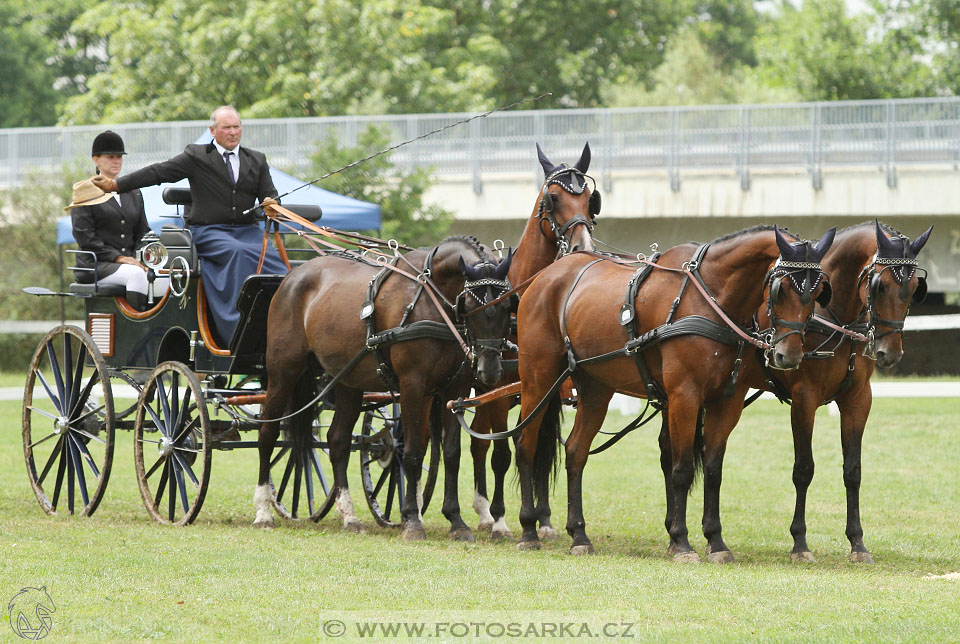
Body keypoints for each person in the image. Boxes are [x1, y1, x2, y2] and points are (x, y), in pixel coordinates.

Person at [92, 106, 287, 344]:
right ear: (213, 130)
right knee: (239, 253)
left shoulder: (256, 159)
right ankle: (238, 326)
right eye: (227, 127)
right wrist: (118, 185)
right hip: (210, 232)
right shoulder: (197, 156)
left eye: (237, 127)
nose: (233, 132)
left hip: (248, 232)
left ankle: (283, 323)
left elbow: (271, 196)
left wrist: (271, 204)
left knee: (278, 266)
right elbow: (158, 172)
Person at [68, 131, 169, 312]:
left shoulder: (133, 192)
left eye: (119, 157)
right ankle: (136, 328)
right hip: (96, 265)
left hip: (130, 263)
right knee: (137, 275)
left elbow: (143, 233)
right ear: (96, 160)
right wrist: (118, 258)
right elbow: (85, 238)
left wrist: (146, 259)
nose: (117, 161)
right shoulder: (85, 191)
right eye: (111, 157)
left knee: (162, 277)